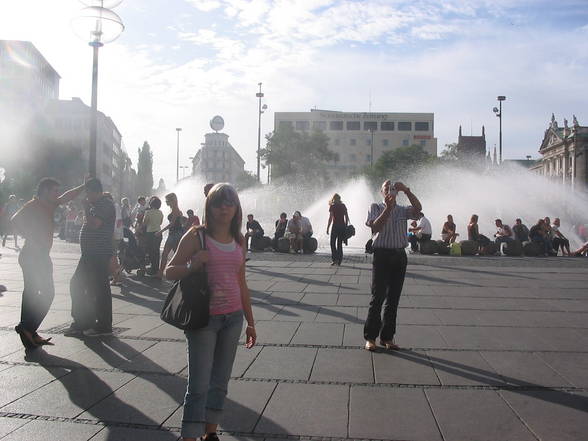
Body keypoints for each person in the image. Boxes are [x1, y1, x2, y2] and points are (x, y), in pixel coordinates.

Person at [164, 183, 256, 441]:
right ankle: (190, 435)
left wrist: (251, 322)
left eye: (229, 202)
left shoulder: (239, 240)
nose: (224, 207)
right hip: (204, 319)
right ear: (209, 206)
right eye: (218, 202)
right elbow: (169, 271)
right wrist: (193, 265)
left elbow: (242, 283)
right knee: (199, 385)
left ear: (236, 207)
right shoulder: (197, 236)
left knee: (220, 382)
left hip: (233, 318)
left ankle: (210, 432)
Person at [11, 178, 85, 348]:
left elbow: (68, 196)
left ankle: (29, 332)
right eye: (54, 191)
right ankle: (27, 327)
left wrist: (83, 186)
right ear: (45, 191)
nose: (58, 194)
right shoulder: (33, 205)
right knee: (47, 293)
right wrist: (31, 238)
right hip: (33, 255)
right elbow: (15, 220)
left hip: (39, 255)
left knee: (31, 293)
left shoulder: (49, 204)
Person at [364, 180, 422, 351]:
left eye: (393, 188)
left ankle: (387, 337)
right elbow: (375, 227)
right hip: (382, 255)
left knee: (393, 299)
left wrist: (407, 190)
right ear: (382, 192)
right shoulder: (375, 207)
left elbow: (418, 209)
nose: (391, 190)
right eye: (387, 188)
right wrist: (388, 209)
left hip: (399, 255)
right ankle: (370, 338)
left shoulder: (403, 210)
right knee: (378, 297)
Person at [66, 178, 116, 337]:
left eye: (87, 193)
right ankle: (84, 321)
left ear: (94, 191)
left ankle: (102, 325)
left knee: (98, 288)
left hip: (98, 254)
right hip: (90, 254)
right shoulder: (97, 204)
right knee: (80, 285)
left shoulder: (106, 204)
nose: (86, 196)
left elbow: (95, 224)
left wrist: (87, 208)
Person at [157, 193, 187, 278]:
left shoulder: (175, 210)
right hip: (176, 234)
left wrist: (161, 231)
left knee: (167, 254)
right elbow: (180, 222)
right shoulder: (175, 210)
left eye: (167, 201)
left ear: (172, 201)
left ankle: (162, 273)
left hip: (175, 234)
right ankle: (162, 273)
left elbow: (172, 224)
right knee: (175, 255)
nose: (166, 202)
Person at [143, 196, 164, 275]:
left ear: (151, 204)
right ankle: (156, 268)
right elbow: (161, 222)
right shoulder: (160, 212)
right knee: (156, 251)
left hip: (150, 233)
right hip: (158, 232)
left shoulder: (148, 212)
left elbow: (145, 223)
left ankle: (153, 268)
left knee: (151, 251)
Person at [326, 193, 349, 266]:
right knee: (339, 244)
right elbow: (347, 217)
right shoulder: (343, 206)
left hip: (335, 226)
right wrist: (345, 226)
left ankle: (335, 259)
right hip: (342, 226)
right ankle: (339, 260)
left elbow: (330, 218)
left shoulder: (332, 206)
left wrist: (328, 227)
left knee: (332, 243)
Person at [106, 193, 124, 286]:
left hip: (113, 235)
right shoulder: (116, 206)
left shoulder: (112, 207)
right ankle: (118, 277)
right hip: (117, 235)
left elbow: (116, 221)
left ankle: (116, 278)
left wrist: (112, 233)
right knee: (113, 256)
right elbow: (119, 221)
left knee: (112, 257)